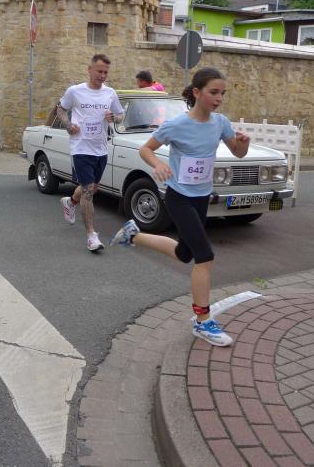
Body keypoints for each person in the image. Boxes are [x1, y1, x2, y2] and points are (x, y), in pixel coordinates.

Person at [109, 67, 250, 347]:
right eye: (213, 92)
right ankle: (202, 321)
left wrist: (244, 144)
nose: (219, 98)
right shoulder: (176, 125)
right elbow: (146, 149)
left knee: (185, 253)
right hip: (179, 197)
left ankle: (132, 235)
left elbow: (237, 152)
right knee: (204, 256)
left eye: (222, 93)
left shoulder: (220, 123)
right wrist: (158, 164)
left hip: (201, 197)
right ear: (197, 92)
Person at [56, 54, 125, 252]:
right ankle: (91, 236)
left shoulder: (110, 93)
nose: (102, 76)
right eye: (99, 71)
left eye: (106, 72)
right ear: (89, 69)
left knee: (92, 187)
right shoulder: (75, 91)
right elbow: (60, 109)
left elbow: (121, 115)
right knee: (88, 191)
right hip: (81, 147)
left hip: (101, 148)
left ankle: (70, 202)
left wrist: (114, 117)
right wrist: (68, 125)